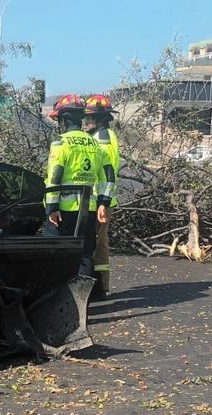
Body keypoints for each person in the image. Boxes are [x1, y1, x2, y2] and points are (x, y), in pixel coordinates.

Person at [45, 94, 115, 280]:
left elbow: (54, 178)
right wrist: (103, 202)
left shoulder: (61, 143)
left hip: (64, 211)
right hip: (89, 210)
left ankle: (58, 297)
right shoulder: (96, 144)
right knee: (85, 254)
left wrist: (52, 208)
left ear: (64, 120)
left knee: (52, 252)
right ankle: (82, 298)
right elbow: (108, 177)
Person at [84, 94, 119, 299]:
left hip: (100, 201)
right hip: (99, 200)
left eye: (89, 118)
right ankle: (98, 287)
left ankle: (99, 288)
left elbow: (107, 174)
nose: (85, 122)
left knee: (98, 245)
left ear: (100, 119)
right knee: (98, 242)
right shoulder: (100, 136)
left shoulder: (103, 140)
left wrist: (102, 203)